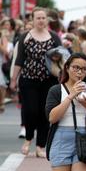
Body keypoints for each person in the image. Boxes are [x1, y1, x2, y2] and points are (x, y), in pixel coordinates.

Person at [12, 8, 62, 157]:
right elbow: (19, 59)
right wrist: (14, 80)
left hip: (49, 81)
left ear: (47, 20)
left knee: (44, 113)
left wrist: (57, 58)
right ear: (32, 20)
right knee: (30, 111)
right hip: (28, 79)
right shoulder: (25, 36)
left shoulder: (53, 37)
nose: (41, 20)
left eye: (43, 18)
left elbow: (63, 56)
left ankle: (40, 146)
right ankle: (28, 139)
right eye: (38, 18)